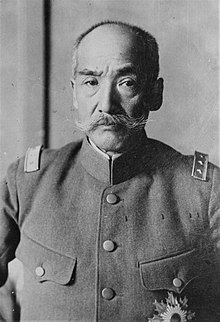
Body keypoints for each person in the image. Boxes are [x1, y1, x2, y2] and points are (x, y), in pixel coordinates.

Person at [0, 21, 220, 322]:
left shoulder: (204, 192)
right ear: (74, 93)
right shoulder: (27, 183)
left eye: (126, 82)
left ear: (155, 93)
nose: (106, 104)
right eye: (92, 82)